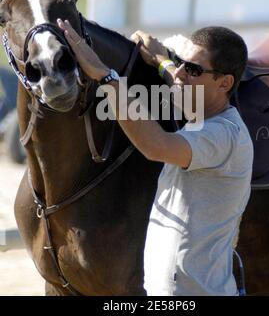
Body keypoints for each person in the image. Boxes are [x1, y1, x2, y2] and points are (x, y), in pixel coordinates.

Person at [57, 18, 254, 296]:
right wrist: (163, 61)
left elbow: (154, 145)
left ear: (224, 83)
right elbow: (181, 84)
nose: (182, 72)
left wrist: (106, 77)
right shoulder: (204, 112)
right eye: (183, 62)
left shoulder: (224, 135)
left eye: (194, 69)